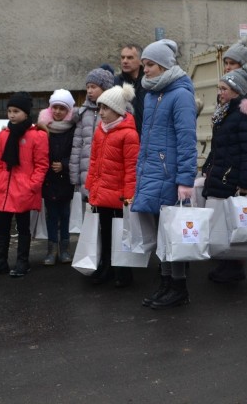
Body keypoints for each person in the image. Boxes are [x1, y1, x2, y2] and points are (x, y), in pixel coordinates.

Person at [131, 39, 198, 309]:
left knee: (174, 233)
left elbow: (186, 139)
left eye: (149, 65)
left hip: (170, 175)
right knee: (162, 232)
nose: (144, 69)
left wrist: (185, 180)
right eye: (144, 64)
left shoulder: (180, 94)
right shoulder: (151, 94)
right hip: (153, 172)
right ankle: (166, 282)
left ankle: (178, 287)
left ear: (163, 66)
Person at [202, 67, 247, 283]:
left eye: (224, 89)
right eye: (219, 88)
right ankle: (227, 264)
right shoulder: (226, 113)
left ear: (237, 91)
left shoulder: (243, 117)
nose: (220, 92)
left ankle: (234, 267)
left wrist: (244, 184)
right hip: (222, 174)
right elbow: (219, 147)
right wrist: (208, 167)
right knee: (225, 223)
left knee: (234, 223)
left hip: (232, 180)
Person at [0, 92, 50, 278]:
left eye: (16, 111)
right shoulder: (4, 135)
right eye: (9, 111)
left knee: (23, 227)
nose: (11, 115)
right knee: (2, 226)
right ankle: (0, 261)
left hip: (23, 190)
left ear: (26, 113)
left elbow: (42, 165)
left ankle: (22, 262)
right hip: (5, 189)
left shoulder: (37, 136)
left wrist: (31, 186)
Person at [85, 84, 140, 287]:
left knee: (121, 236)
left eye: (105, 108)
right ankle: (106, 266)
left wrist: (128, 195)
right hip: (102, 194)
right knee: (106, 234)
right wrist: (91, 186)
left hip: (118, 197)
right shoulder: (100, 131)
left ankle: (123, 273)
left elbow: (131, 169)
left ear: (117, 109)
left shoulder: (129, 134)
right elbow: (94, 161)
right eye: (100, 108)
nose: (101, 113)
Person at [36, 89, 77, 266]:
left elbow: (77, 152)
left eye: (62, 108)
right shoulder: (43, 129)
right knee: (51, 216)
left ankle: (65, 249)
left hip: (65, 180)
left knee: (65, 215)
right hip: (49, 180)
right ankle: (51, 250)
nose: (58, 112)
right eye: (55, 108)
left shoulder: (72, 129)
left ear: (68, 111)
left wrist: (65, 165)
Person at [70, 67, 115, 207]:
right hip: (85, 175)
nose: (89, 90)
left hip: (107, 175)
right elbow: (77, 145)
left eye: (93, 87)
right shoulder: (83, 113)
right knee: (88, 218)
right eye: (87, 87)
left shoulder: (114, 112)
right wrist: (74, 177)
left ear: (105, 88)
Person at [115, 43, 147, 134]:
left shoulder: (149, 83)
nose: (125, 61)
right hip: (123, 137)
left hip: (145, 137)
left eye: (130, 58)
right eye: (122, 57)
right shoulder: (115, 83)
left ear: (140, 60)